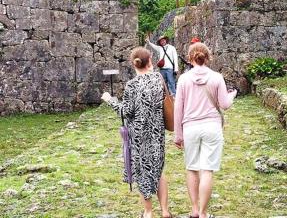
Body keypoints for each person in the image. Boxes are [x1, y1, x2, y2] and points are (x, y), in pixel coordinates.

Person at [101, 47, 172, 218]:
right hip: (157, 135)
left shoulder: (131, 85)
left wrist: (110, 100)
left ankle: (148, 212)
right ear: (149, 62)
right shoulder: (158, 78)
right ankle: (165, 211)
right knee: (158, 170)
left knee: (142, 172)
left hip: (138, 137)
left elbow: (126, 112)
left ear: (134, 65)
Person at [174, 43, 237, 218]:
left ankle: (194, 209)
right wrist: (232, 95)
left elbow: (178, 108)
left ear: (189, 58)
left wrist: (178, 135)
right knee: (207, 169)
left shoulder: (183, 79)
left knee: (192, 168)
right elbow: (224, 104)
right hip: (212, 126)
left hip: (190, 128)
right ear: (207, 57)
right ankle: (203, 213)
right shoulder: (216, 77)